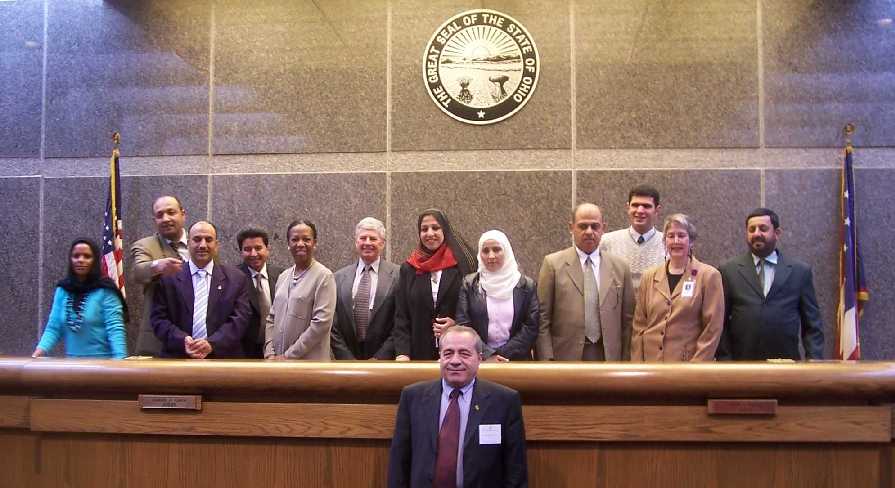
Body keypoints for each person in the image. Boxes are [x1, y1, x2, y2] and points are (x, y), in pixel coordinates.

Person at [387, 326, 528, 488]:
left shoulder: (504, 401)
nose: (455, 361)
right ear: (440, 358)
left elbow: (516, 471)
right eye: (448, 353)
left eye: (464, 353)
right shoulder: (413, 397)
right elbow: (399, 464)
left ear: (479, 359)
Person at [716, 208, 825, 360]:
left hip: (786, 365)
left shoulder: (800, 272)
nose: (756, 234)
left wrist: (814, 360)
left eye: (763, 228)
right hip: (741, 366)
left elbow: (812, 324)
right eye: (751, 229)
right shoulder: (729, 270)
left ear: (777, 233)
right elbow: (719, 322)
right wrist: (725, 361)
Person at [536, 203, 635, 361]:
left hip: (609, 357)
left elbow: (628, 321)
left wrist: (625, 360)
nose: (589, 232)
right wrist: (548, 360)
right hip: (565, 358)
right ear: (571, 227)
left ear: (603, 228)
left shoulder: (620, 267)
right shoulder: (552, 264)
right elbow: (542, 319)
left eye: (595, 226)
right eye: (583, 226)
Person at [150, 221, 251, 358]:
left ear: (216, 245)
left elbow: (240, 319)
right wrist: (183, 341)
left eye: (208, 240)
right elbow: (159, 319)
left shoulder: (236, 279)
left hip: (224, 360)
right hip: (178, 358)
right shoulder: (168, 278)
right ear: (188, 243)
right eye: (197, 239)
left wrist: (212, 343)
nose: (202, 245)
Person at [631, 214, 724, 361]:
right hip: (650, 366)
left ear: (691, 241)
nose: (676, 241)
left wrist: (697, 368)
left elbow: (712, 329)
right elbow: (639, 326)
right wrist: (638, 366)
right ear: (664, 241)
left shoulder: (708, 276)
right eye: (670, 236)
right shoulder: (649, 276)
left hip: (687, 367)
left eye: (681, 235)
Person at [393, 209, 477, 361]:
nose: (430, 233)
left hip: (456, 354)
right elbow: (401, 316)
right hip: (417, 354)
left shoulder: (463, 266)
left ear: (445, 230)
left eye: (435, 228)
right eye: (424, 229)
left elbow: (476, 310)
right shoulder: (409, 268)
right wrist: (402, 353)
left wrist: (456, 324)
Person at [33, 239, 128, 359]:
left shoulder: (106, 289)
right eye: (76, 256)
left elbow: (115, 328)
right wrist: (36, 355)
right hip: (72, 368)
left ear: (95, 261)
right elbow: (53, 327)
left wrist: (120, 361)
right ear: (70, 259)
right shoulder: (63, 289)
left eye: (87, 256)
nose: (80, 260)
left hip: (103, 367)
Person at [455, 230, 539, 361]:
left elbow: (531, 326)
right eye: (485, 251)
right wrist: (488, 354)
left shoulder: (526, 285)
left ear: (506, 251)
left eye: (496, 249)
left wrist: (502, 354)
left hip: (517, 361)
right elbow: (463, 324)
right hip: (479, 360)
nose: (491, 256)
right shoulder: (470, 284)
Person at [265, 220, 336, 360]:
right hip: (277, 364)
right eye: (295, 239)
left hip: (308, 366)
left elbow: (321, 324)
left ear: (315, 243)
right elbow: (271, 318)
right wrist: (269, 351)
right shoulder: (283, 276)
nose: (300, 244)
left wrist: (288, 356)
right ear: (288, 244)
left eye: (306, 239)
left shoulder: (324, 276)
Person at [331, 217, 400, 360]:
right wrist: (348, 360)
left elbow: (401, 322)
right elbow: (333, 326)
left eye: (373, 239)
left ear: (382, 243)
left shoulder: (399, 275)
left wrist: (380, 359)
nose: (367, 242)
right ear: (356, 242)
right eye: (363, 238)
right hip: (347, 362)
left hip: (385, 363)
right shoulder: (338, 278)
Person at [130, 195, 189, 356]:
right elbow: (138, 272)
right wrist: (157, 266)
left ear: (183, 214)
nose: (165, 218)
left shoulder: (200, 242)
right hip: (159, 340)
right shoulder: (145, 245)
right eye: (159, 215)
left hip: (197, 338)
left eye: (171, 212)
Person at [600, 185, 666, 289]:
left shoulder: (667, 244)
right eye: (635, 205)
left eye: (646, 206)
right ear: (628, 208)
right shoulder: (606, 242)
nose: (640, 210)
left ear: (657, 210)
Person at [236, 227, 284, 359]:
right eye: (247, 249)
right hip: (244, 352)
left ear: (267, 249)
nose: (253, 253)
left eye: (258, 248)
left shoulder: (282, 275)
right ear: (241, 252)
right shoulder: (233, 277)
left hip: (278, 350)